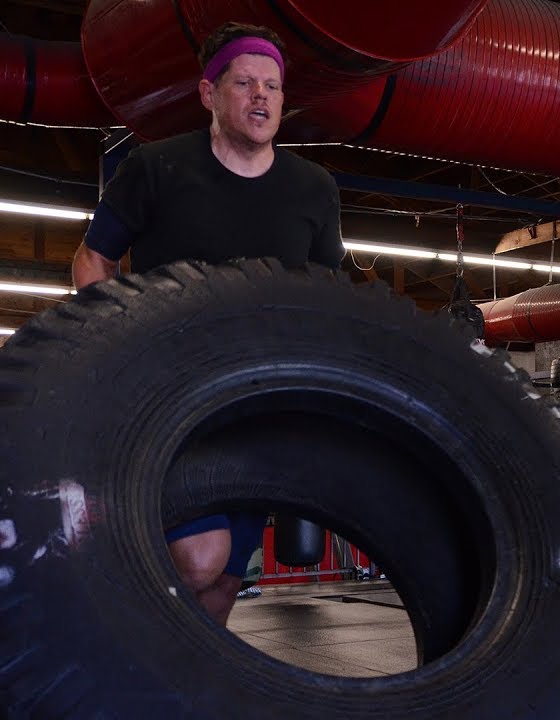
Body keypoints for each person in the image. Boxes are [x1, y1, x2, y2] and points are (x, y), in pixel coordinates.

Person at [71, 22, 344, 626]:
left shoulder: (313, 189)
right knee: (199, 559)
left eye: (272, 86)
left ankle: (178, 693)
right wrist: (116, 341)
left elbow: (330, 296)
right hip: (169, 394)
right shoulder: (155, 168)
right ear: (208, 94)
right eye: (244, 83)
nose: (261, 98)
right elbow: (93, 258)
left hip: (258, 403)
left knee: (223, 581)